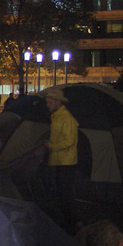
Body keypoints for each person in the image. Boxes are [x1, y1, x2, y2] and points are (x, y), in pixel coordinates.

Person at [42, 88, 80, 230]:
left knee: (65, 193)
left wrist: (52, 146)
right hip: (59, 160)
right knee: (61, 192)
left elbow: (69, 141)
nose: (48, 105)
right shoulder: (57, 116)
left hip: (66, 162)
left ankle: (73, 221)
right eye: (47, 102)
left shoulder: (67, 118)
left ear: (58, 102)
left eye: (50, 102)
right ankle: (69, 220)